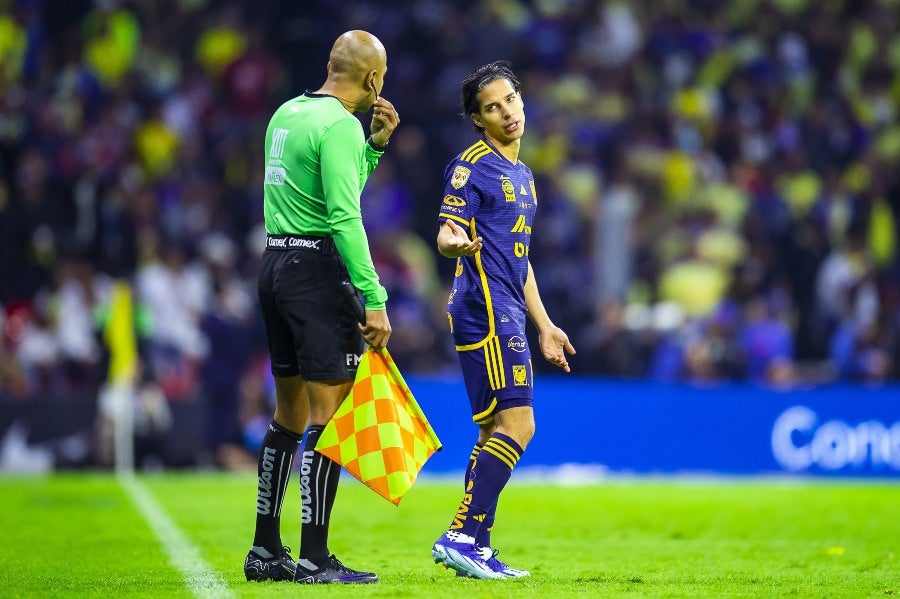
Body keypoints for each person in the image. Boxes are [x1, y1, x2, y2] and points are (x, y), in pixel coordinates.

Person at [243, 30, 398, 585]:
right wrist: (374, 298)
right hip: (314, 274)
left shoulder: (288, 113)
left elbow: (331, 189)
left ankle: (265, 550)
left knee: (286, 416)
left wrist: (374, 147)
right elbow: (343, 214)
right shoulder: (338, 126)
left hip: (274, 265)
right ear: (373, 79)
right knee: (326, 421)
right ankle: (313, 558)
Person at [431, 61, 575, 579]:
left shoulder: (524, 175)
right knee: (520, 423)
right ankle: (462, 533)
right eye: (493, 107)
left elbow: (520, 259)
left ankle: (478, 545)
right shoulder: (470, 166)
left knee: (494, 427)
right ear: (478, 119)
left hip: (510, 307)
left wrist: (545, 325)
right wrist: (455, 244)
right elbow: (448, 228)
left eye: (510, 99)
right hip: (485, 308)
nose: (507, 112)